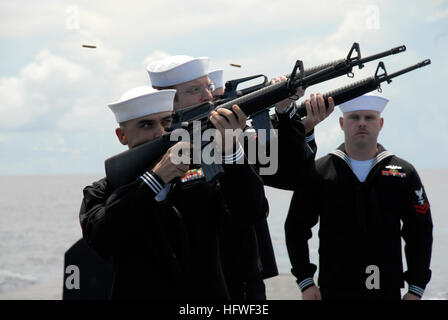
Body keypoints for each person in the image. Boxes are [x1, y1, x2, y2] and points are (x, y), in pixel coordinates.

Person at [147, 55, 334, 299]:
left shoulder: (235, 138)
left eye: (208, 87)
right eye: (195, 90)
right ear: (167, 102)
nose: (208, 96)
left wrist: (286, 114)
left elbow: (294, 177)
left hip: (242, 282)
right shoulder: (155, 153)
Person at [79, 86, 268, 299]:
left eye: (166, 122)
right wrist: (154, 180)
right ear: (122, 135)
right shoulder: (103, 190)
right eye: (146, 124)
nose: (160, 133)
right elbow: (101, 239)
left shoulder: (201, 176)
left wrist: (231, 151)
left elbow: (251, 213)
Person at [285, 94, 433, 300]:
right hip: (333, 290)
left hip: (386, 290)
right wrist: (305, 281)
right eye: (354, 117)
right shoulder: (319, 171)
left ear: (380, 124)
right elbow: (295, 227)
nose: (362, 123)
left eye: (369, 118)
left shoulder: (404, 173)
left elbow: (420, 233)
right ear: (342, 123)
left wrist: (416, 287)